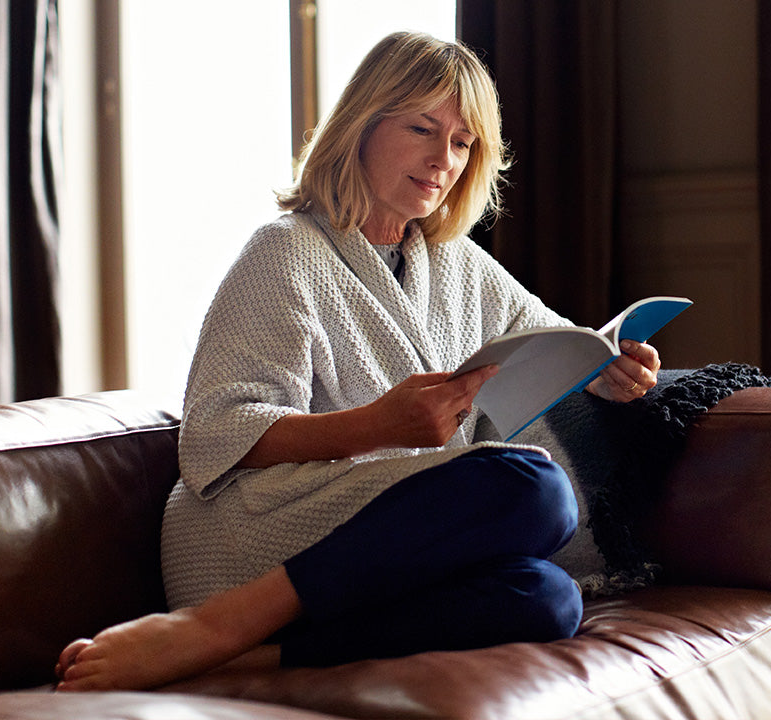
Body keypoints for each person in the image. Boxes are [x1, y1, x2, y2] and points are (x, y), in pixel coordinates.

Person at [54, 31, 660, 692]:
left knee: (547, 600)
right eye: (423, 129)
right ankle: (216, 627)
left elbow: (550, 336)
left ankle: (245, 659)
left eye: (462, 143)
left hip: (390, 551)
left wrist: (604, 367)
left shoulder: (453, 261)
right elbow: (214, 435)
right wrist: (380, 425)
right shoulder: (284, 253)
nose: (444, 160)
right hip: (259, 531)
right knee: (536, 490)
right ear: (361, 127)